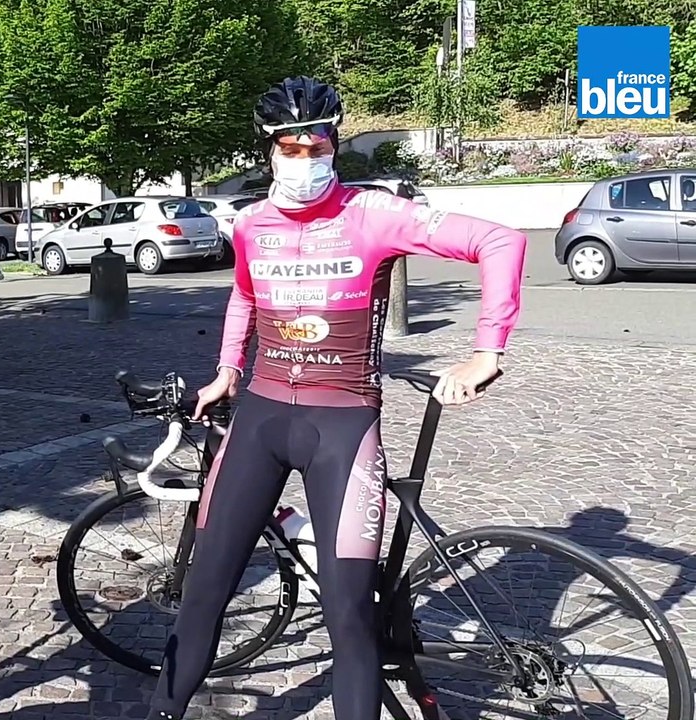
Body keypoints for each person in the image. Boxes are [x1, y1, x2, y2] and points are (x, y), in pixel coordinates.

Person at [146, 75, 527, 720]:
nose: (304, 159)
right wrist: (227, 371)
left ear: (335, 144)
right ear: (268, 150)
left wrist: (487, 349)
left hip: (343, 428)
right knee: (203, 596)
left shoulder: (373, 213)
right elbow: (245, 295)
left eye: (317, 146)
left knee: (349, 619)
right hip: (261, 418)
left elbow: (501, 241)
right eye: (289, 148)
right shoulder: (249, 224)